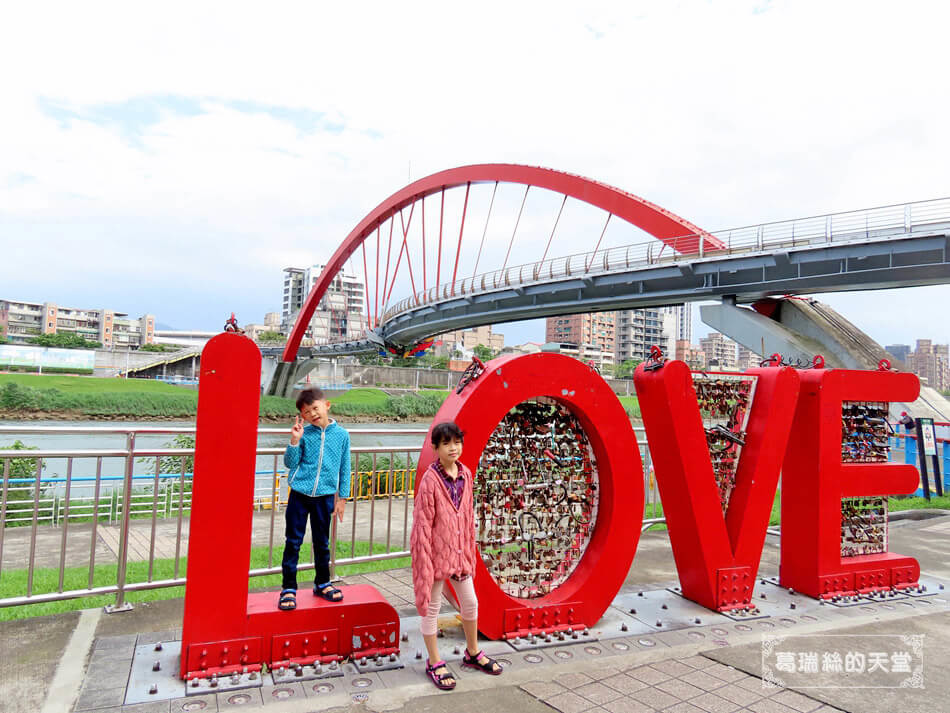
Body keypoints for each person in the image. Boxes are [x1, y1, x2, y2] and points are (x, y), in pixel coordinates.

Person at [410, 421, 502, 690]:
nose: (453, 448)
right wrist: (424, 562)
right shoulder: (430, 480)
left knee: (471, 603)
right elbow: (423, 524)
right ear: (436, 447)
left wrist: (469, 551)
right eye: (447, 443)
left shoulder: (466, 474)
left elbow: (466, 518)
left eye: (457, 442)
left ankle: (472, 653)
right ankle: (434, 661)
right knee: (431, 608)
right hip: (436, 556)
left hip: (460, 553)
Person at [278, 387, 351, 611]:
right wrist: (294, 440)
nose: (312, 414)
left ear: (326, 405)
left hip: (325, 497)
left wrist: (342, 498)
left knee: (322, 543)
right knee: (293, 542)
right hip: (299, 495)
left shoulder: (342, 436)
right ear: (303, 416)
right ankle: (288, 588)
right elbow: (290, 463)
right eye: (307, 412)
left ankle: (322, 583)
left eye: (315, 408)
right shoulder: (305, 435)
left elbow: (345, 468)